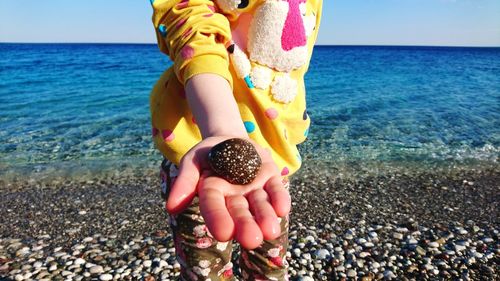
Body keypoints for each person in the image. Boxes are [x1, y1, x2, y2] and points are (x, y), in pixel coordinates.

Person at [149, 0, 322, 280]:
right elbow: (192, 23)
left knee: (269, 268)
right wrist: (222, 126)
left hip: (273, 163)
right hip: (197, 160)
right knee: (205, 272)